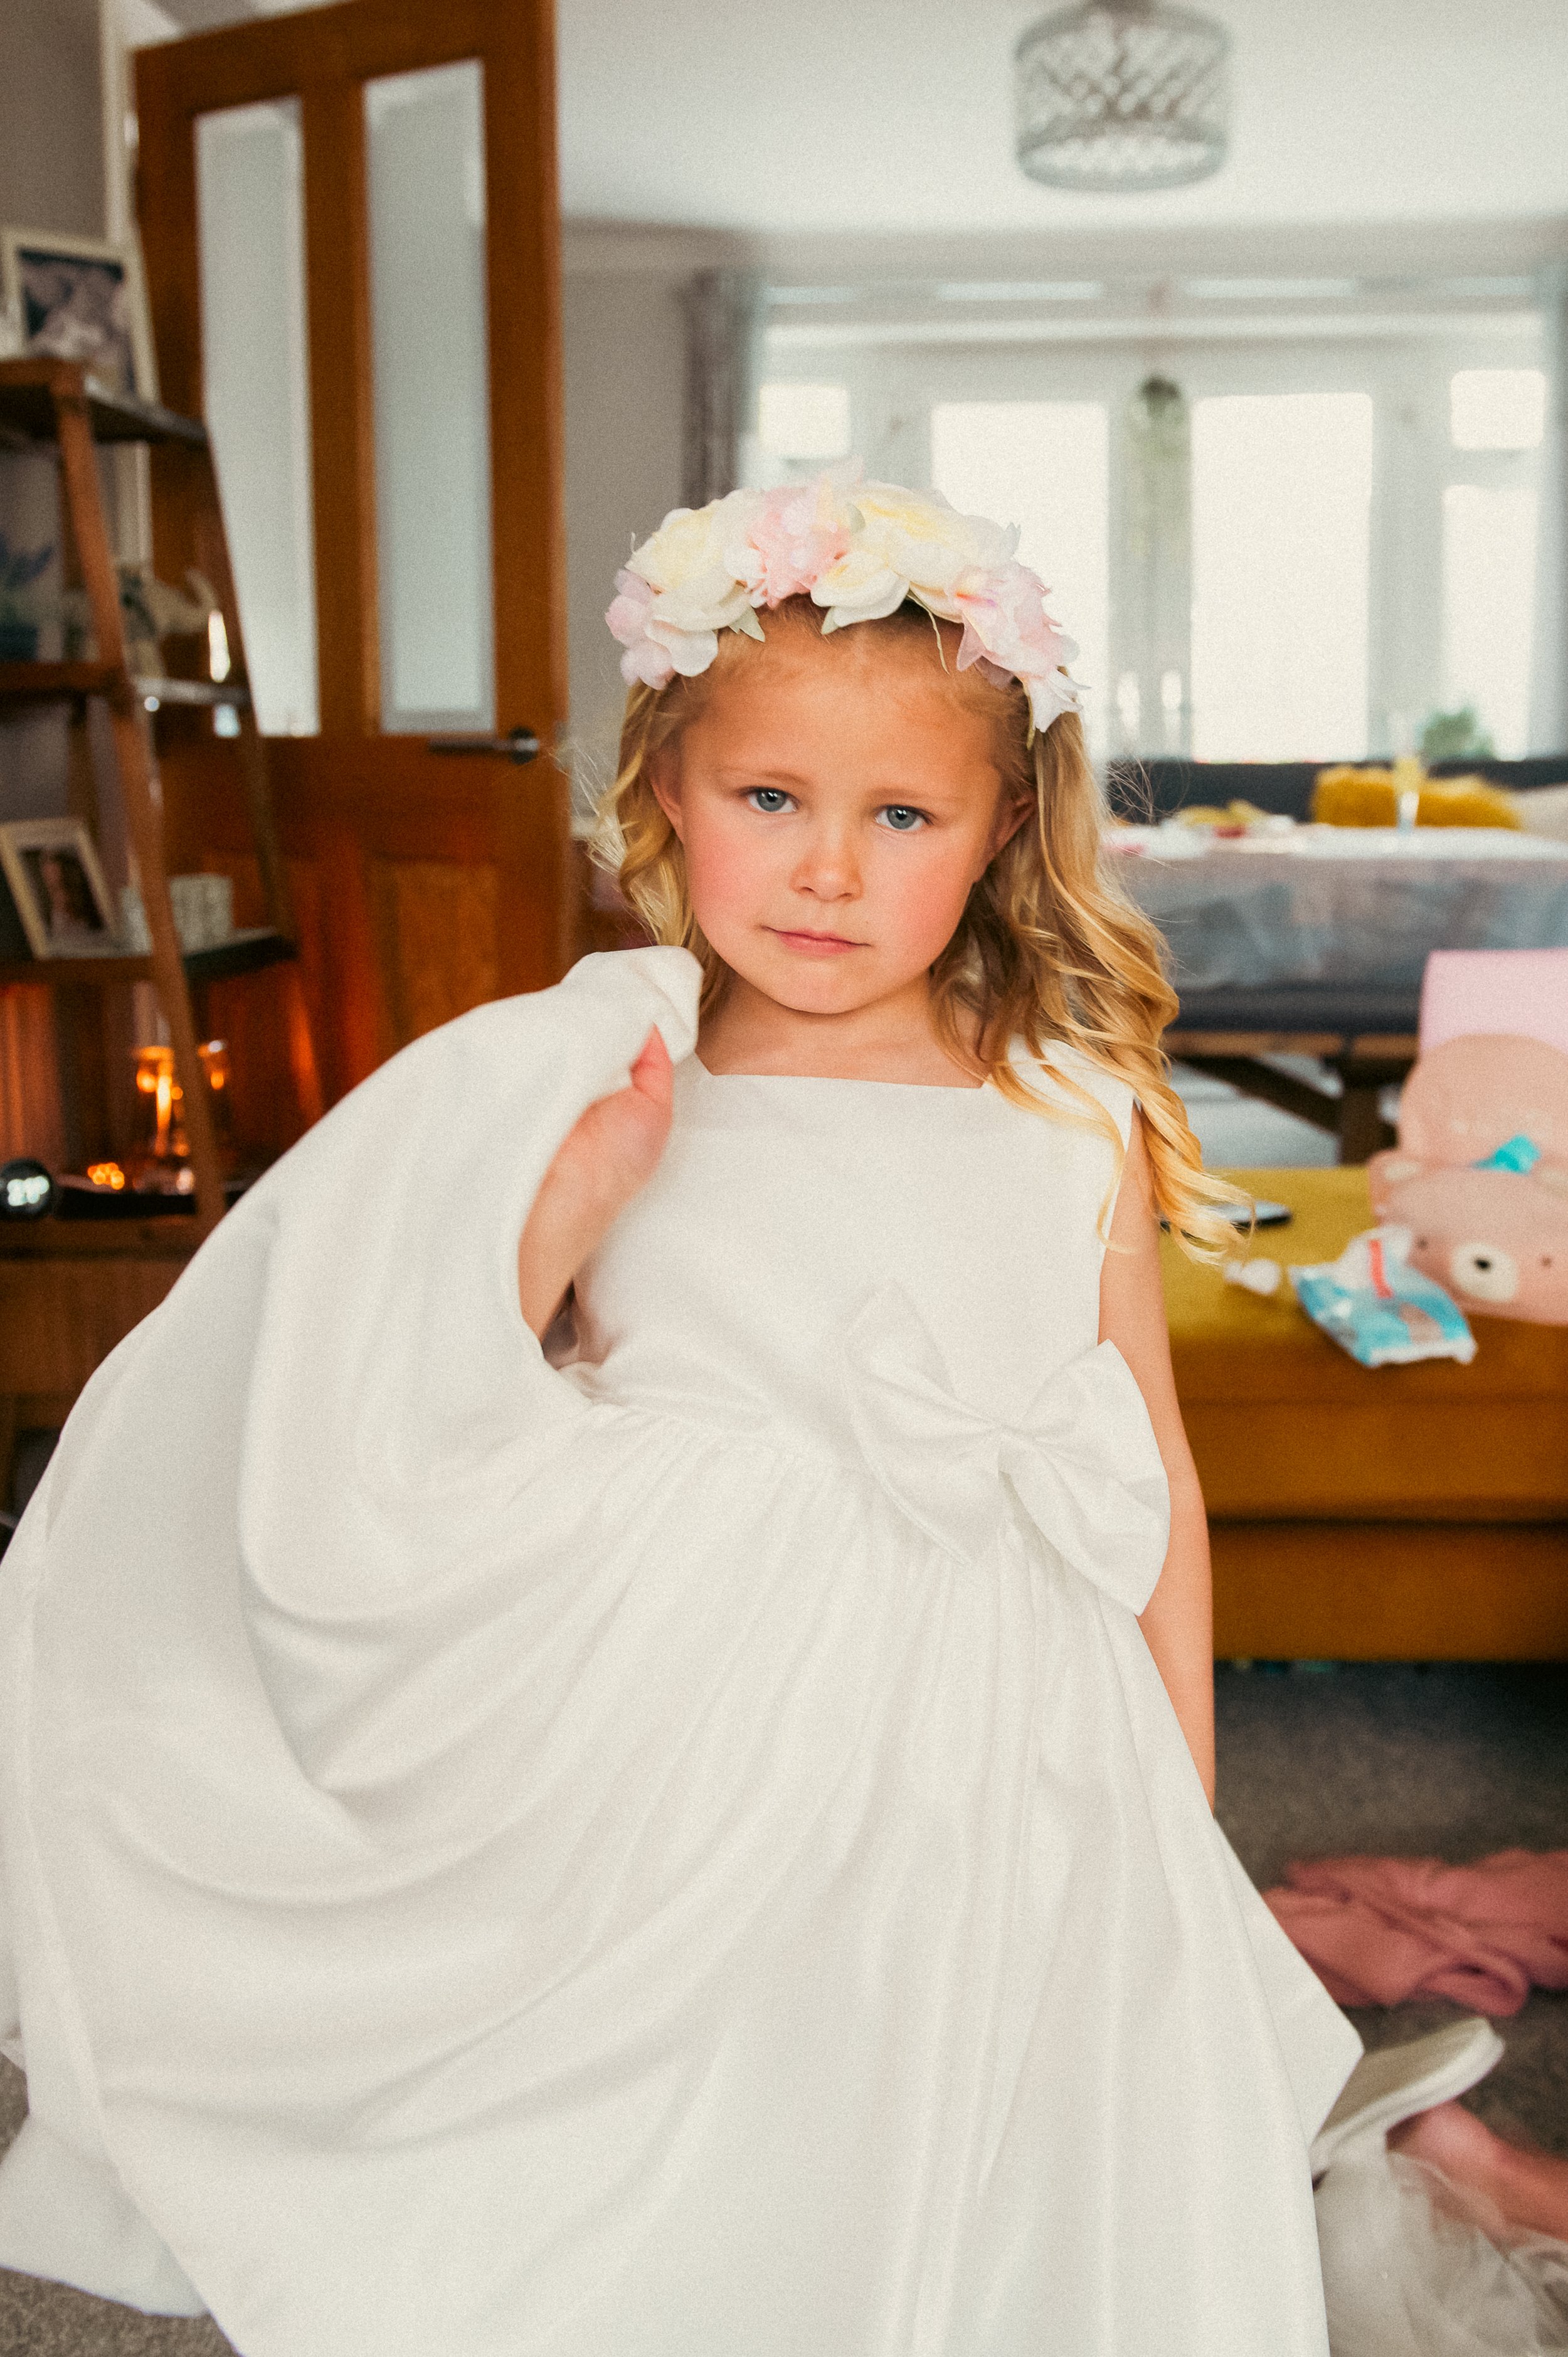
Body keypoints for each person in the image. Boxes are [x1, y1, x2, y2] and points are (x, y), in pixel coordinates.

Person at [0, 468, 1360, 2355]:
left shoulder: (1066, 1100)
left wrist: (1183, 1782)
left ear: (993, 833)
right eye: (769, 801)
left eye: (898, 816)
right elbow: (431, 1361)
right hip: (681, 1684)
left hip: (1000, 1702)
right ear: (664, 797)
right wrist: (575, 1188)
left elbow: (1144, 1465)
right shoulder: (613, 1061)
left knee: (989, 2089)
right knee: (681, 2095)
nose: (825, 869)